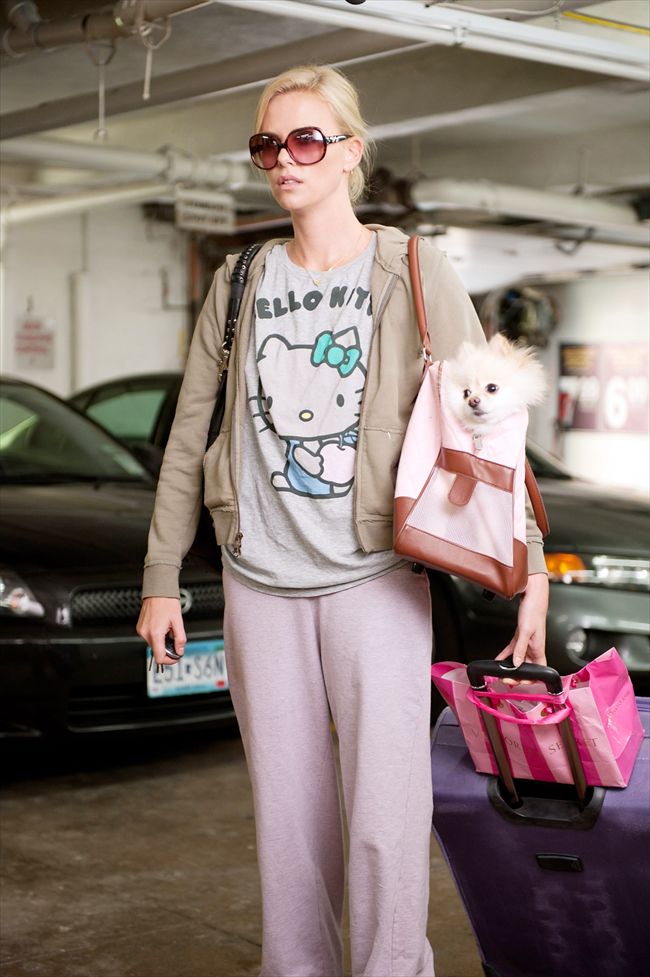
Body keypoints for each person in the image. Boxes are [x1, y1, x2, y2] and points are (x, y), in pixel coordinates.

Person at [137, 64, 549, 977]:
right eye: (268, 144)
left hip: (374, 577)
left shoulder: (410, 267)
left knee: (383, 814)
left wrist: (532, 568)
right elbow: (188, 434)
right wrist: (162, 575)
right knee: (288, 822)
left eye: (305, 139)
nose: (285, 159)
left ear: (350, 151)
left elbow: (492, 416)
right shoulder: (239, 281)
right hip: (258, 580)